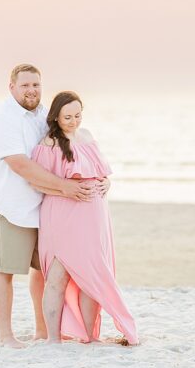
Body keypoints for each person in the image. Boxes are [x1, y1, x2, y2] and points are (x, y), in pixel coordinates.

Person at [0, 64, 103, 348]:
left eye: (36, 84)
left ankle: (41, 330)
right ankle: (7, 336)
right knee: (5, 268)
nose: (31, 90)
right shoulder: (3, 118)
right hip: (8, 207)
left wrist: (98, 181)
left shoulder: (43, 115)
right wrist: (66, 188)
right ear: (11, 87)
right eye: (25, 85)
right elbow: (20, 164)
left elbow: (60, 151)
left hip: (43, 207)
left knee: (43, 271)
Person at [31, 90, 139, 346]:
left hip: (94, 216)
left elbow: (101, 173)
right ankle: (53, 339)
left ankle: (90, 337)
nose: (73, 121)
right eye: (67, 116)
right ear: (56, 117)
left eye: (77, 115)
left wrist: (106, 184)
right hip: (62, 215)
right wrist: (66, 189)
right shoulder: (48, 145)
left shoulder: (87, 136)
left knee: (92, 275)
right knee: (58, 276)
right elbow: (37, 183)